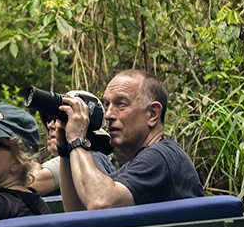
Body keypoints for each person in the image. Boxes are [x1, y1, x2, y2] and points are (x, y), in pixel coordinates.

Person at [57, 70, 204, 211]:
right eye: (107, 104)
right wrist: (65, 150)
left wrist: (78, 138)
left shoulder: (162, 156)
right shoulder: (136, 165)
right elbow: (78, 210)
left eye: (121, 104)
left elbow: (100, 203)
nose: (108, 115)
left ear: (153, 114)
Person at [32, 90, 116, 196]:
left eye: (61, 118)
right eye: (50, 119)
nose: (51, 125)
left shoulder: (90, 158)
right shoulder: (69, 160)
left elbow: (31, 183)